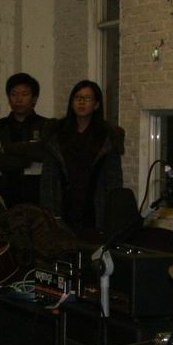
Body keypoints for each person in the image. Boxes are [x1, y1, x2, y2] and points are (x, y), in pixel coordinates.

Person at [40, 80, 124, 233]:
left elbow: (114, 180)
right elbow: (48, 177)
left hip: (94, 206)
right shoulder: (57, 133)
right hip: (64, 203)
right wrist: (49, 212)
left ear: (96, 105)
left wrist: (112, 213)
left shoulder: (107, 136)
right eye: (77, 97)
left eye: (87, 98)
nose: (81, 102)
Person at [0, 71, 54, 206]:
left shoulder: (46, 126)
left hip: (38, 196)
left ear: (34, 99)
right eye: (14, 94)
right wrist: (26, 156)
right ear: (8, 98)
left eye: (24, 94)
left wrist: (7, 149)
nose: (18, 99)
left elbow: (44, 155)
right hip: (5, 196)